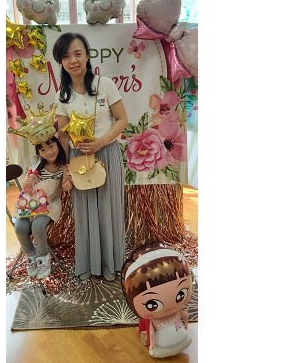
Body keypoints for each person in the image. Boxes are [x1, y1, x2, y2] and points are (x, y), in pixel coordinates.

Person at [53, 32, 128, 282]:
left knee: (109, 209)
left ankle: (111, 265)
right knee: (85, 213)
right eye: (66, 56)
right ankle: (90, 265)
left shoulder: (105, 84)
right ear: (61, 62)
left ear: (87, 55)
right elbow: (63, 136)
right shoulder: (62, 95)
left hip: (107, 154)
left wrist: (101, 143)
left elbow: (122, 120)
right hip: (79, 160)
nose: (73, 60)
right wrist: (65, 169)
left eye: (77, 53)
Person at [13, 134, 73, 279]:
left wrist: (68, 183)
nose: (49, 152)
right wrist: (27, 181)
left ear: (58, 145)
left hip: (49, 204)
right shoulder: (36, 166)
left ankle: (43, 258)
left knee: (37, 227)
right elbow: (26, 188)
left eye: (51, 146)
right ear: (38, 152)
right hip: (30, 203)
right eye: (43, 150)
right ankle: (30, 254)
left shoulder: (63, 167)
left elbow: (65, 186)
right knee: (20, 228)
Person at [121, 242, 193, 358]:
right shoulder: (176, 312)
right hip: (182, 339)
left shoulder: (154, 319)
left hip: (168, 344)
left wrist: (152, 346)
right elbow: (184, 317)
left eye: (181, 294)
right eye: (152, 304)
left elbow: (151, 333)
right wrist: (184, 327)